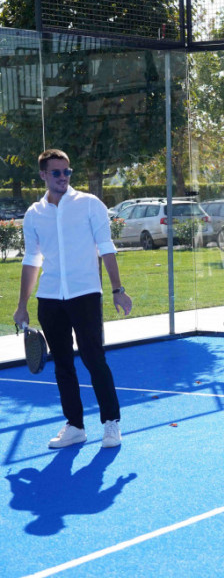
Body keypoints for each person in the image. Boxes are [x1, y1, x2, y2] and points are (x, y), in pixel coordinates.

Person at [13, 149, 133, 450]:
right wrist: (22, 305)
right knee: (63, 365)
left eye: (67, 171)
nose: (63, 177)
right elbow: (31, 260)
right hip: (50, 299)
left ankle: (111, 422)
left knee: (94, 359)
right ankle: (75, 426)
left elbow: (106, 247)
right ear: (43, 175)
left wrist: (117, 289)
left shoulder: (90, 204)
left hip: (85, 295)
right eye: (56, 172)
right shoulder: (34, 214)